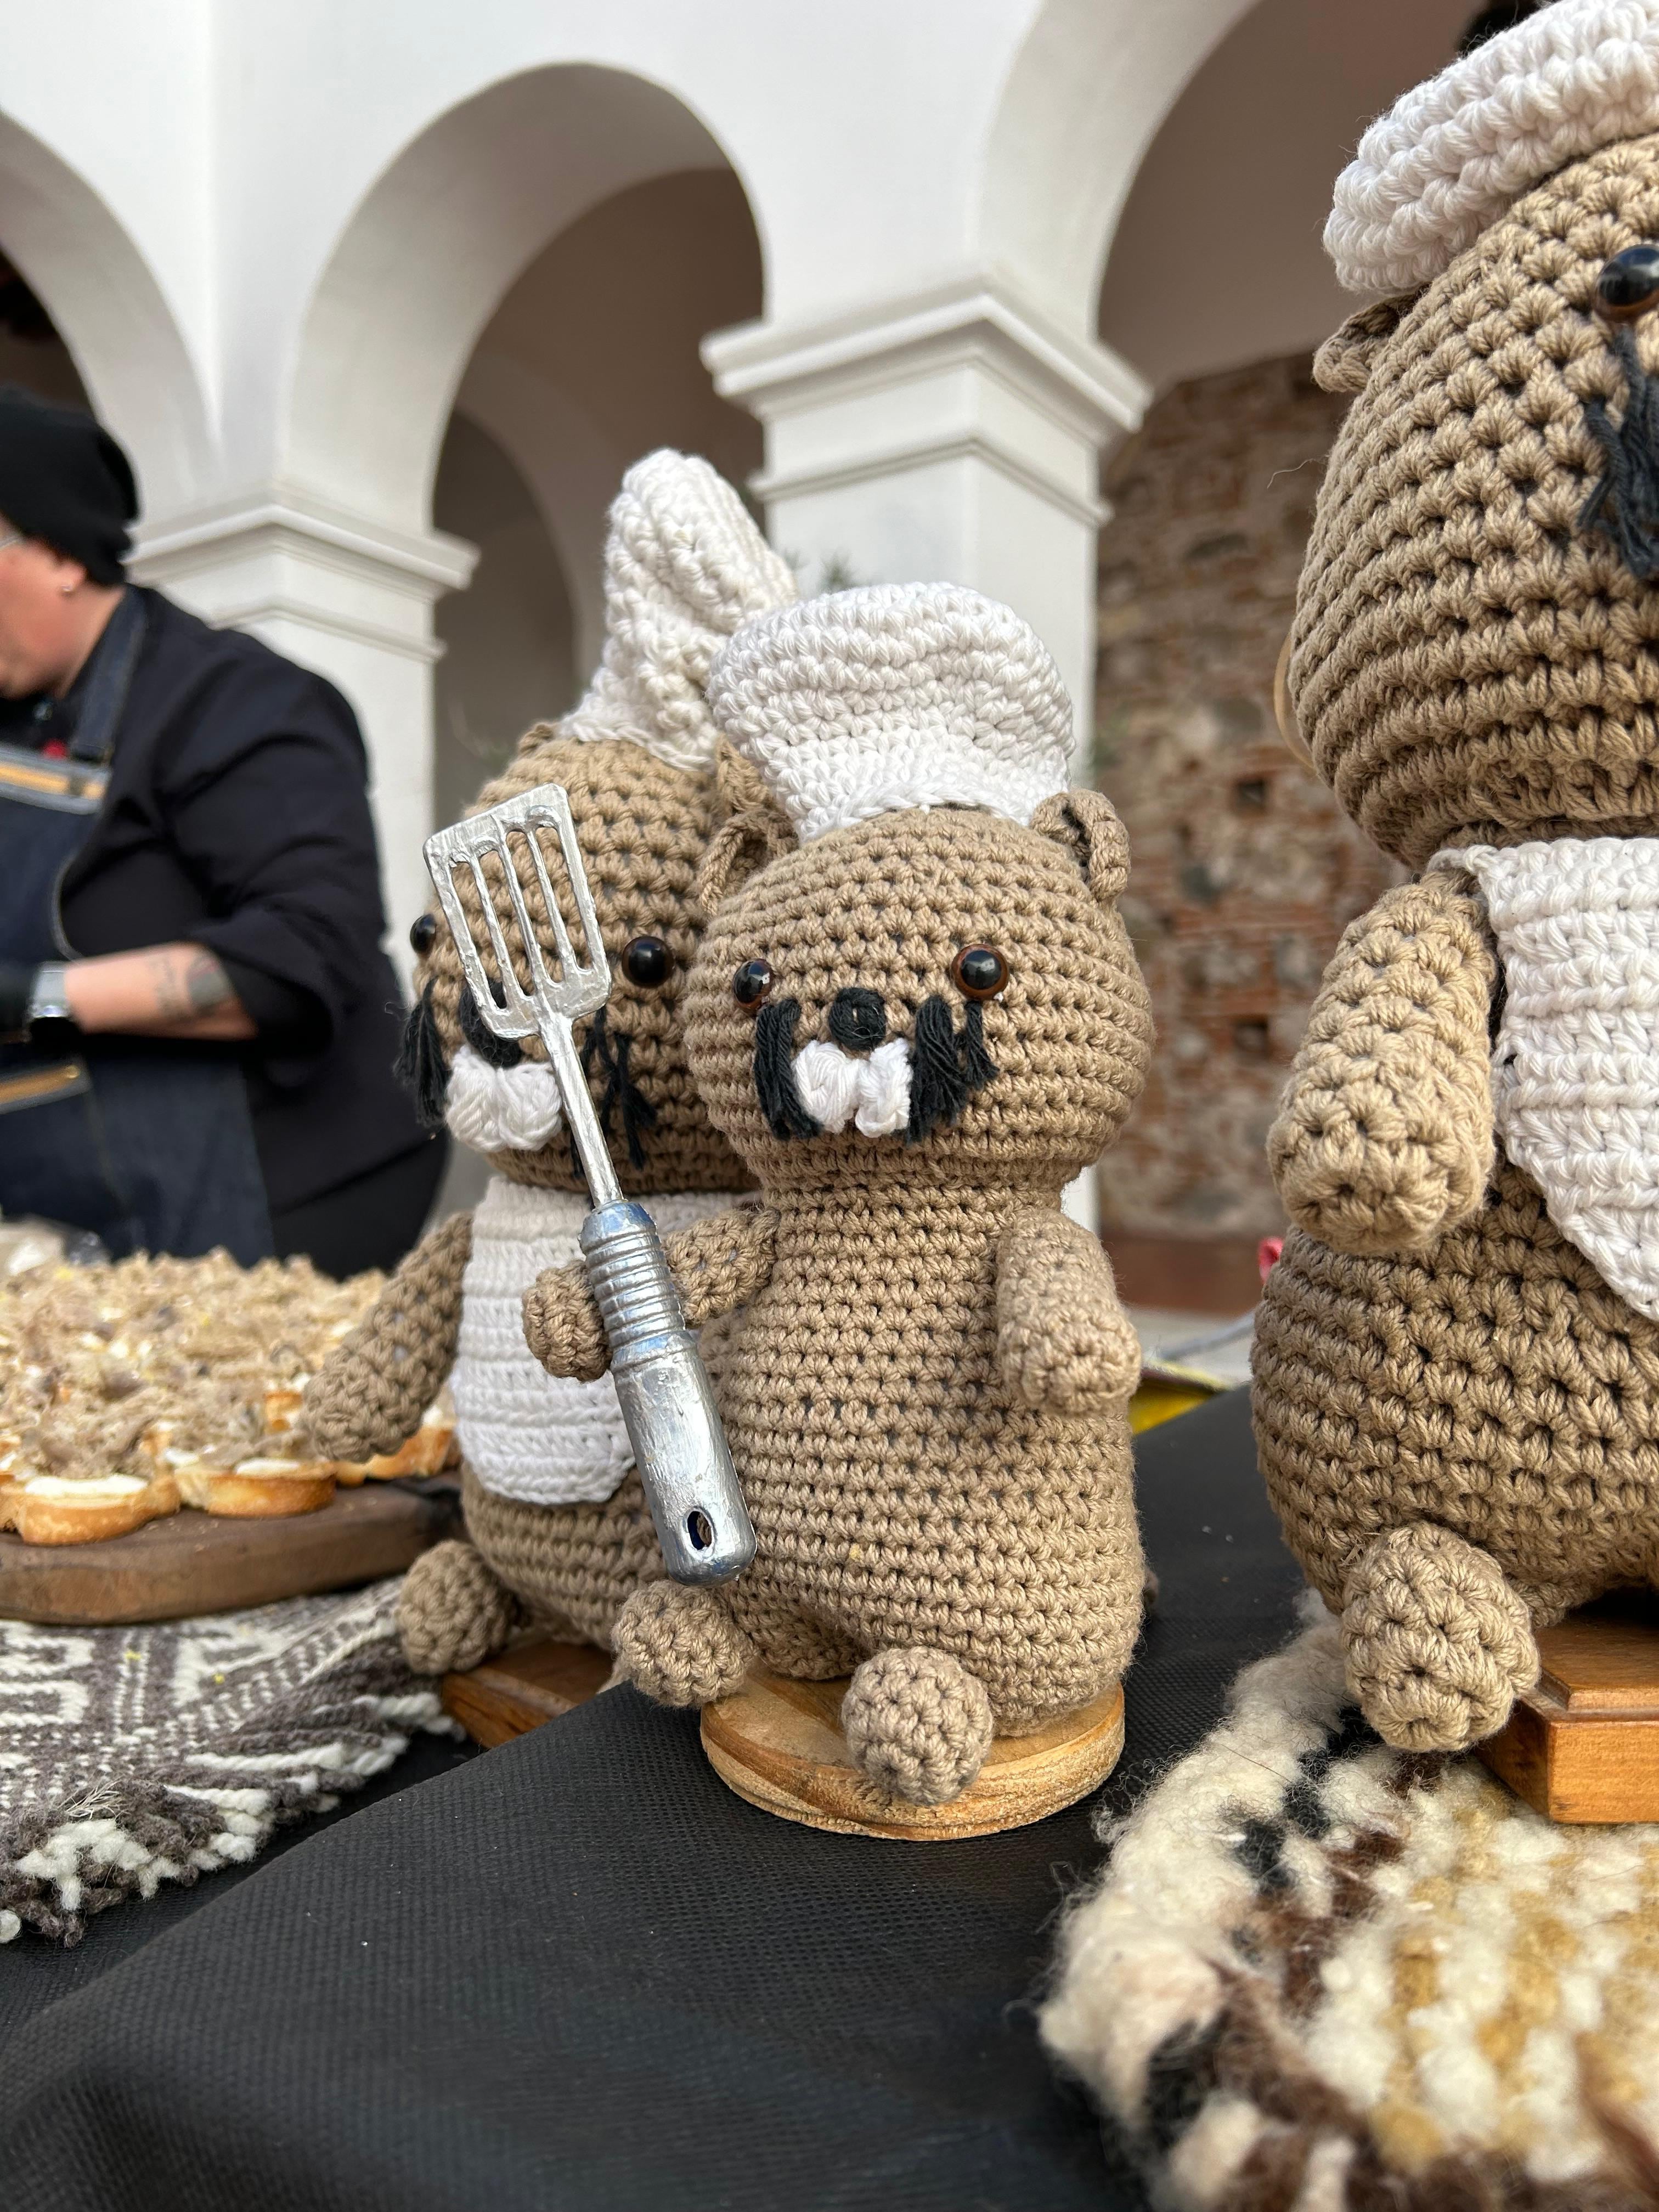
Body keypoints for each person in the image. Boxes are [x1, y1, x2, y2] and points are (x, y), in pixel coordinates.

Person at [0, 386, 443, 1274]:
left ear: (57, 552)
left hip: (287, 1192)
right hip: (70, 1211)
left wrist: (28, 1001)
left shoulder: (235, 703)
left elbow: (302, 956)